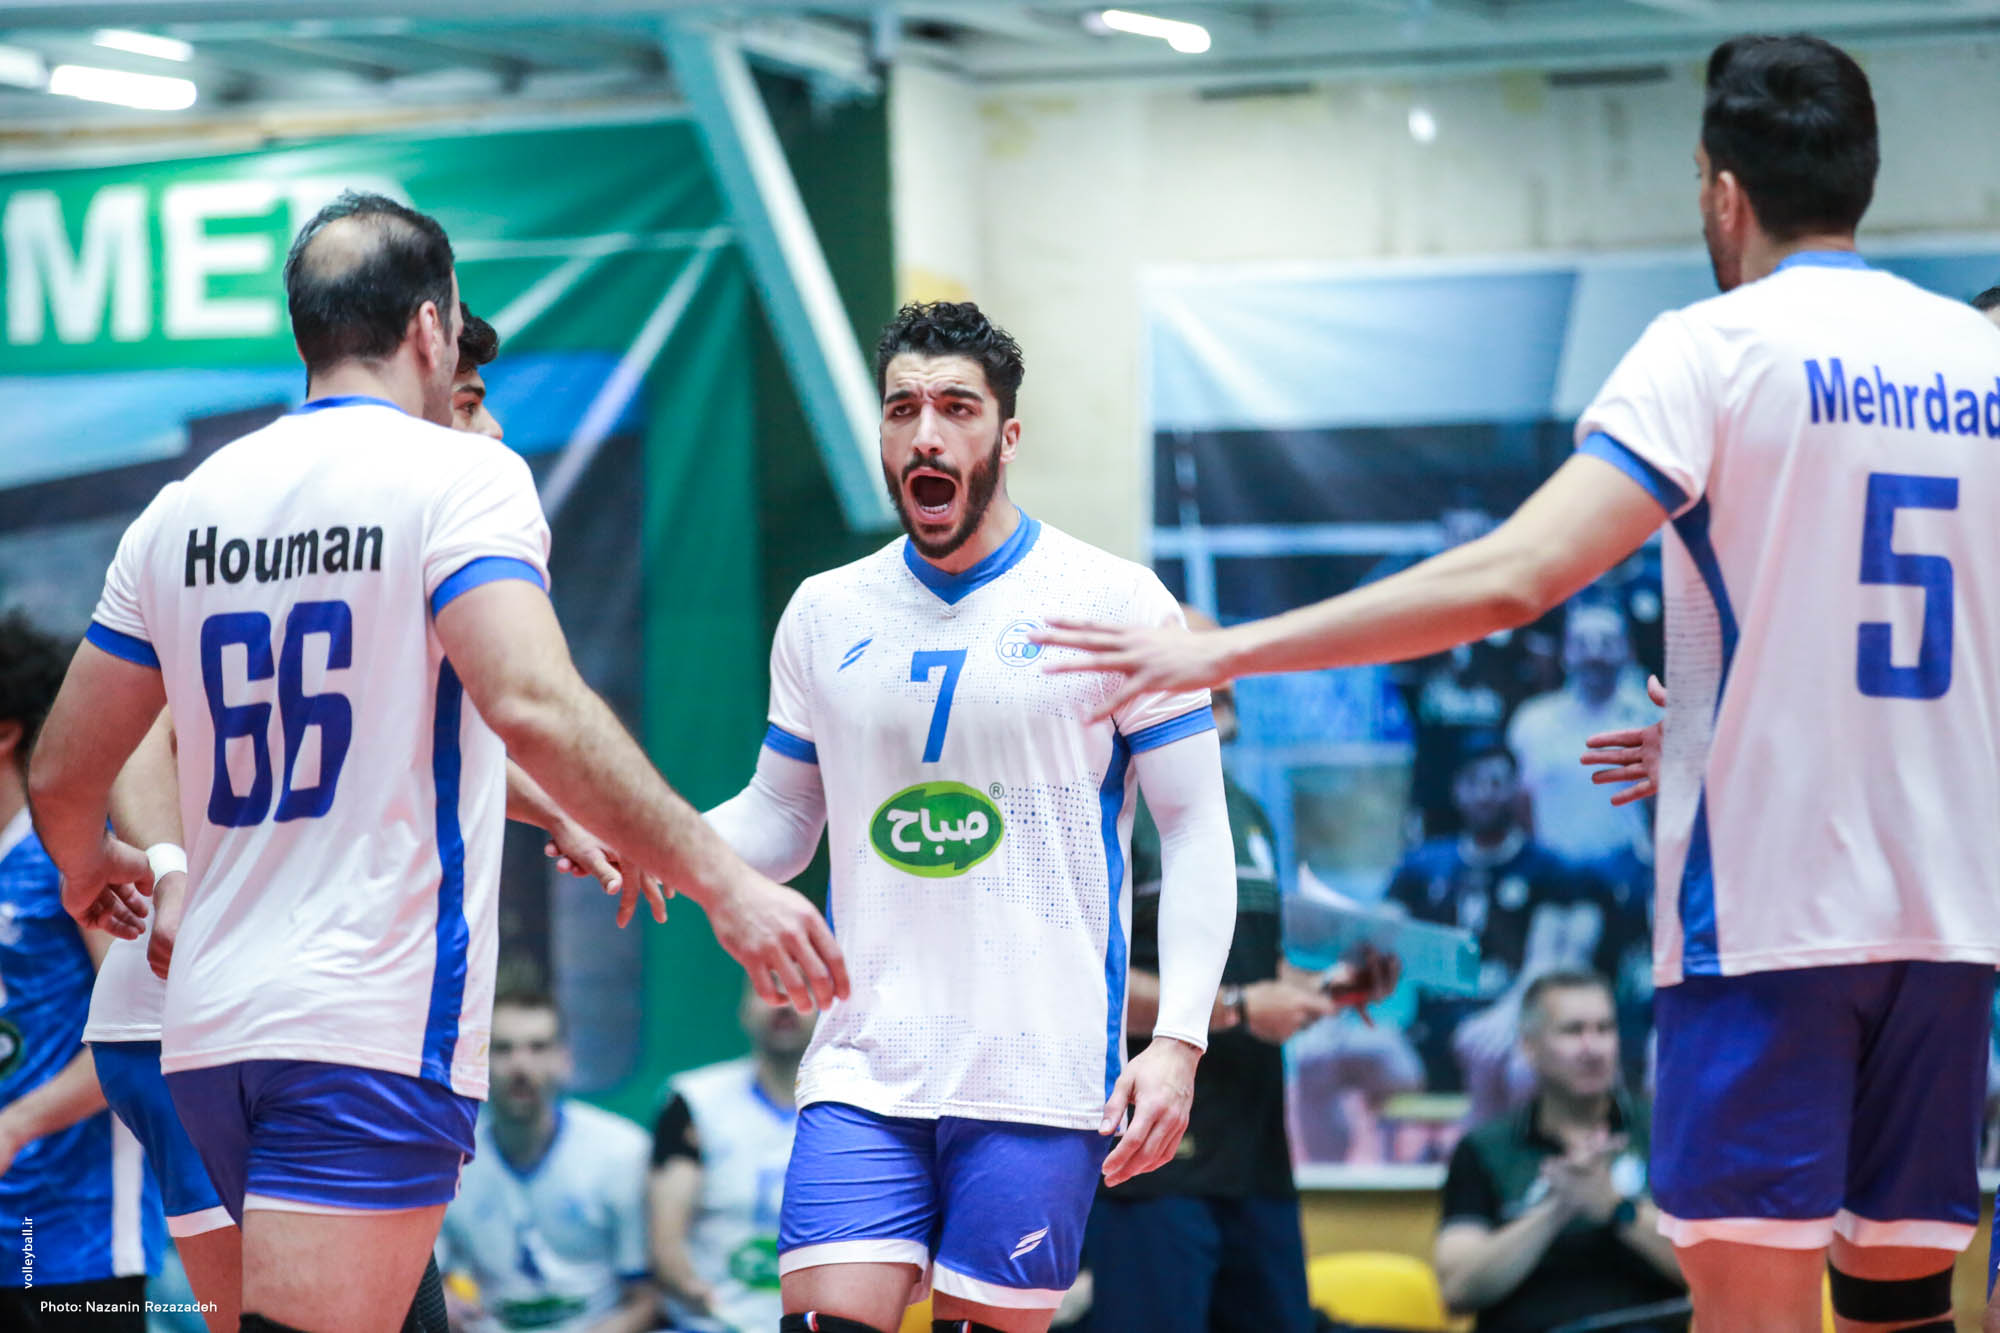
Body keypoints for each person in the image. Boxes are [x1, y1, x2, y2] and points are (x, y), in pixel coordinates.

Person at [1040, 34, 2000, 1331]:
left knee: (1754, 1307)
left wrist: (1225, 649)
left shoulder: (1713, 347)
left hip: (1772, 920)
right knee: (1904, 1302)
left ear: (1721, 192)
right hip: (1946, 924)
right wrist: (1742, 723)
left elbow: (1512, 577)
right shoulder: (1972, 355)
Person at [27, 190, 845, 1333]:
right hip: (362, 1017)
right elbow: (531, 701)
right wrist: (729, 884)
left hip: (210, 1029)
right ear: (429, 327)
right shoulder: (457, 476)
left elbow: (63, 772)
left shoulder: (184, 508)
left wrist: (90, 869)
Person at [697, 300, 1236, 1333]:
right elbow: (779, 816)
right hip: (865, 1061)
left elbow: (1195, 832)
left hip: (1036, 1071)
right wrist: (654, 840)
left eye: (955, 407)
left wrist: (1177, 1042)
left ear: (1007, 434)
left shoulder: (1115, 601)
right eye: (902, 409)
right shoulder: (824, 610)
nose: (926, 433)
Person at [80, 307, 616, 1333]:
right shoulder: (303, 517)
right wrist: (172, 867)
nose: (492, 431)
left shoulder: (371, 530)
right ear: (418, 371)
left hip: (276, 1010)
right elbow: (136, 740)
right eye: (470, 403)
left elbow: (400, 744)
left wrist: (566, 811)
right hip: (203, 1005)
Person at [1079, 619, 1397, 1333]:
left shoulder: (1244, 809)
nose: (1218, 677)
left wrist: (1334, 986)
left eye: (1220, 659)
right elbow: (1087, 985)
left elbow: (1253, 962)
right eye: (1195, 657)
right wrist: (1243, 1006)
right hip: (1155, 1166)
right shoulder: (1111, 806)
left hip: (1259, 1161)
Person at [0, 613, 165, 1333]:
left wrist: (16, 1125)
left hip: (77, 1232)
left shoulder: (74, 858)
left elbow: (138, 1036)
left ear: (6, 732)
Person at [1434, 971, 1683, 1333]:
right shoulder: (1484, 1148)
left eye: (1604, 1029)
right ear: (1529, 1047)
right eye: (1573, 1031)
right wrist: (1557, 1210)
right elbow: (1458, 1290)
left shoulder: (1667, 1134)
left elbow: (1713, 1271)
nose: (1593, 1048)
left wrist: (1616, 1207)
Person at [1383, 746, 1609, 1121]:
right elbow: (1378, 936)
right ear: (1457, 790)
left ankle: (1482, 1156)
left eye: (1497, 783)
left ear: (1516, 790)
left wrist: (1510, 1016)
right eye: (1475, 783)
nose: (1486, 794)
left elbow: (1546, 960)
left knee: (1503, 1059)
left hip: (1508, 1020)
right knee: (1320, 1056)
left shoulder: (1548, 870)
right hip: (1428, 1028)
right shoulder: (1421, 867)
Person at [436, 988, 656, 1333]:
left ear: (564, 1059)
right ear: (477, 1062)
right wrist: (443, 1300)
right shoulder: (446, 1160)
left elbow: (648, 1298)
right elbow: (431, 1280)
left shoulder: (622, 1152)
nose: (521, 1066)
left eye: (538, 1048)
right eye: (503, 1049)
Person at [649, 983, 811, 1332]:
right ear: (743, 1009)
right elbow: (666, 1240)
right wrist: (691, 1289)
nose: (784, 1003)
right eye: (768, 989)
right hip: (710, 1323)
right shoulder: (692, 1100)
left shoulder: (859, 1108)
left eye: (801, 988)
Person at [1505, 603, 1657, 868]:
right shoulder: (1532, 720)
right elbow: (1521, 801)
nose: (1594, 654)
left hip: (1628, 869)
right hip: (1551, 870)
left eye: (1607, 643)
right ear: (1565, 653)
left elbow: (1665, 804)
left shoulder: (1651, 718)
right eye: (1581, 644)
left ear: (1628, 651)